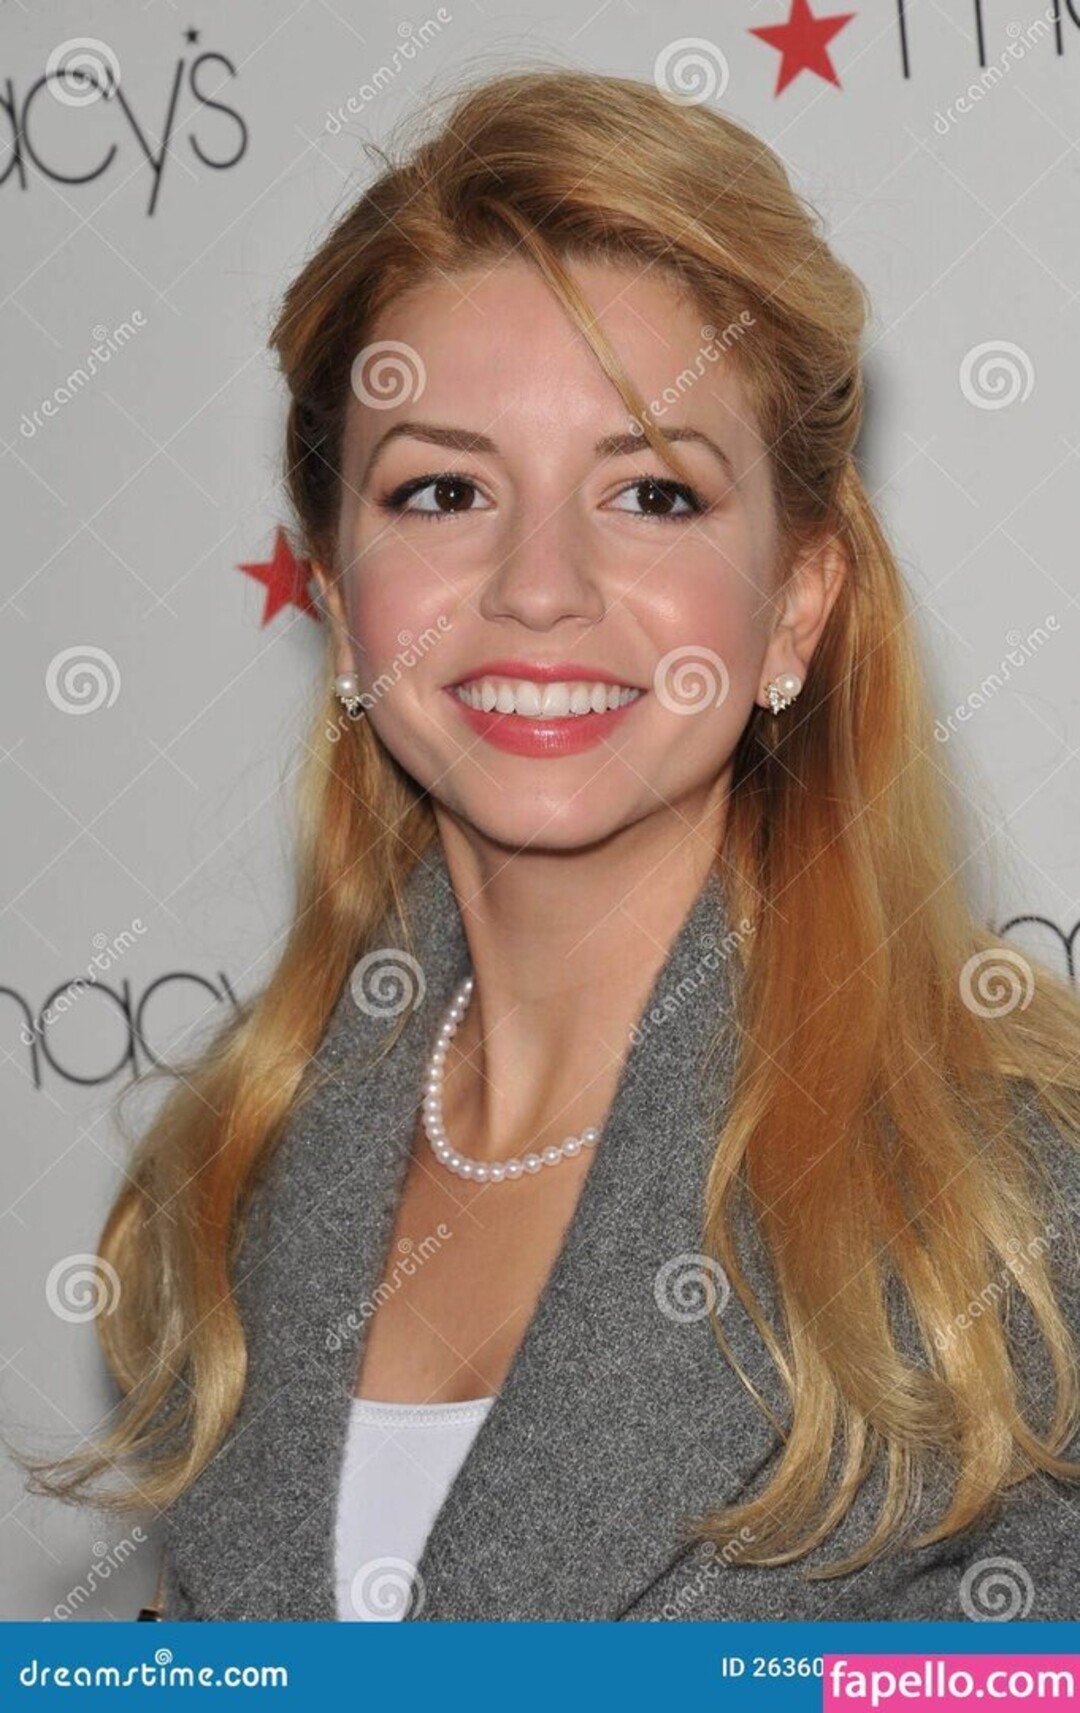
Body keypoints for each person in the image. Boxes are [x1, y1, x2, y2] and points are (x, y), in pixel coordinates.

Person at [19, 66, 1080, 1624]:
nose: (537, 586)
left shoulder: (1012, 1201)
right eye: (444, 488)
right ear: (339, 597)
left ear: (796, 602)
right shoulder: (233, 1177)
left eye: (651, 492)